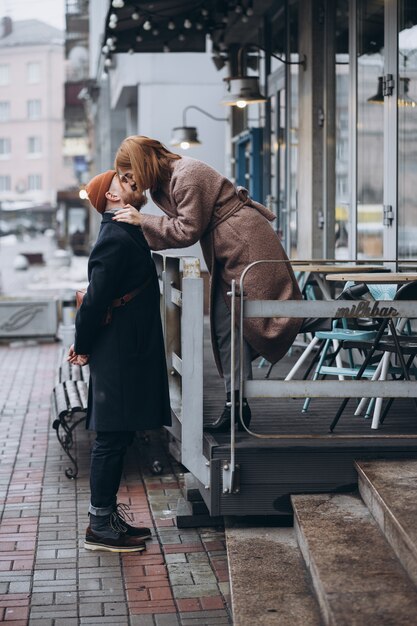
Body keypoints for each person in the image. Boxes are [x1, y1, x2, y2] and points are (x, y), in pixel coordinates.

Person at [112, 135, 302, 432]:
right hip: (228, 247)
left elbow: (186, 230)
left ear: (141, 163)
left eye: (128, 173)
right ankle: (236, 406)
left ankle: (336, 313)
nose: (129, 180)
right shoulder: (166, 182)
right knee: (226, 325)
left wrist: (141, 221)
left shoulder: (186, 175)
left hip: (245, 242)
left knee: (266, 313)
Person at [68, 170, 171, 552]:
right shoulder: (113, 237)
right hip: (118, 352)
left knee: (120, 432)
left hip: (126, 349)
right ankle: (99, 525)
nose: (134, 181)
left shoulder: (126, 229)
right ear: (111, 195)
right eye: (124, 180)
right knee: (110, 437)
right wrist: (83, 345)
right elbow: (95, 299)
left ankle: (108, 517)